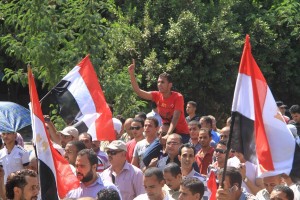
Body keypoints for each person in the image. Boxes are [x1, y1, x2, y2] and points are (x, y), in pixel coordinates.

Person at [128, 59, 189, 143]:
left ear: (170, 85)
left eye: (163, 82)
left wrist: (168, 134)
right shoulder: (156, 95)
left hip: (181, 134)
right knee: (147, 155)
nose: (159, 84)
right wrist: (131, 74)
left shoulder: (178, 97)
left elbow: (175, 118)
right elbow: (138, 92)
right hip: (164, 133)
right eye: (158, 82)